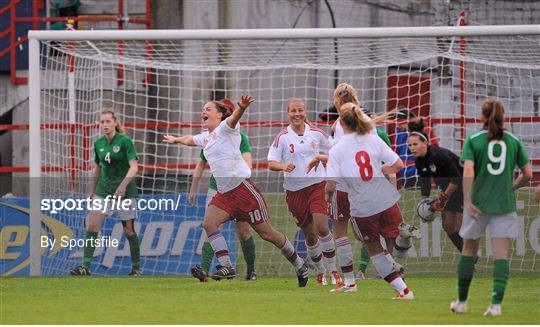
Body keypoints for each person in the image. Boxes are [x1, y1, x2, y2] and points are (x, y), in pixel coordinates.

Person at [163, 95, 309, 287]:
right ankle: (227, 266)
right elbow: (190, 139)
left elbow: (234, 118)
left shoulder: (226, 129)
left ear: (219, 115)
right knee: (209, 223)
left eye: (208, 109)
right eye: (203, 109)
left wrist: (241, 107)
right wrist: (176, 139)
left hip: (243, 190)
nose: (203, 112)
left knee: (267, 234)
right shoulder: (206, 138)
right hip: (225, 195)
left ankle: (300, 265)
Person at [308, 83, 417, 290]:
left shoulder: (341, 122)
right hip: (371, 183)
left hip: (344, 184)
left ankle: (349, 281)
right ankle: (396, 262)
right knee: (378, 231)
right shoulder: (366, 120)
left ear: (336, 100)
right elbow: (378, 154)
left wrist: (322, 160)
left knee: (343, 232)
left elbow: (339, 155)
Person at [451, 98, 532, 316]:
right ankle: (495, 306)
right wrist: (510, 188)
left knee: (468, 250)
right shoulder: (514, 141)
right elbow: (528, 174)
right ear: (502, 116)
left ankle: (462, 302)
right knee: (501, 255)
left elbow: (468, 172)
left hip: (477, 204)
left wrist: (467, 201)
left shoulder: (474, 140)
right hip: (504, 205)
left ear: (482, 117)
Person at [268, 98, 340, 286]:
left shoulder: (317, 133)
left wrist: (326, 160)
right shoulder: (282, 137)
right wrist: (283, 165)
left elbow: (336, 151)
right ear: (288, 113)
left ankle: (333, 271)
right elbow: (271, 162)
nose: (297, 114)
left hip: (318, 185)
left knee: (323, 227)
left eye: (300, 110)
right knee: (309, 235)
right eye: (293, 111)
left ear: (305, 112)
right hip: (294, 191)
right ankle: (320, 271)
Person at [189, 99, 257, 282]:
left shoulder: (237, 135)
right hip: (216, 188)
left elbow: (248, 161)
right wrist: (193, 187)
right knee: (210, 226)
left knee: (243, 231)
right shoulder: (209, 137)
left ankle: (251, 271)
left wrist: (242, 180)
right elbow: (201, 163)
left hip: (237, 187)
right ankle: (203, 270)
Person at [70, 108, 141, 276]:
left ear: (115, 122)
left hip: (124, 193)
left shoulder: (124, 141)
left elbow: (134, 167)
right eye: (102, 122)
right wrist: (92, 190)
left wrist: (123, 185)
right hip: (104, 191)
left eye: (108, 121)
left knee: (129, 231)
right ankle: (85, 267)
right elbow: (98, 168)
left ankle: (136, 268)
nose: (105, 125)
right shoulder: (99, 144)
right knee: (92, 225)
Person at [407, 119, 464, 253]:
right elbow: (425, 182)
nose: (412, 148)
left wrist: (443, 197)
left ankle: (468, 258)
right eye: (409, 145)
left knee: (461, 228)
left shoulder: (439, 155)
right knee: (448, 225)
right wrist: (424, 202)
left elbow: (457, 177)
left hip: (466, 187)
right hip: (450, 190)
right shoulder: (419, 161)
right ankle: (469, 257)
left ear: (426, 142)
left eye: (415, 144)